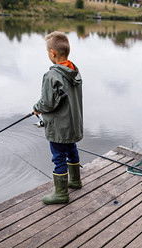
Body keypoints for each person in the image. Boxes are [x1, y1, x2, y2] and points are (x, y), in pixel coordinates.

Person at [33, 31, 83, 205]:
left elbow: (47, 103)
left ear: (52, 53)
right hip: (73, 124)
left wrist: (36, 108)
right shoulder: (74, 71)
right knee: (72, 150)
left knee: (59, 157)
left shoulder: (51, 76)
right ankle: (75, 181)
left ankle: (61, 193)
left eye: (48, 51)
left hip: (59, 127)